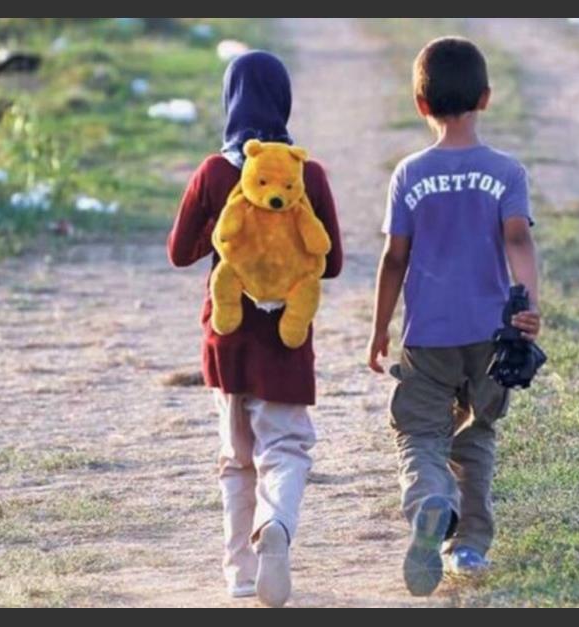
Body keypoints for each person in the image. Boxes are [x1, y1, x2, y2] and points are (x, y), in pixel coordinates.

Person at [167, 50, 343, 607]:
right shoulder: (304, 172)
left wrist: (217, 239)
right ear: (283, 101)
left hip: (227, 335)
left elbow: (180, 252)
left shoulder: (215, 172)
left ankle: (240, 573)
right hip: (285, 339)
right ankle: (277, 529)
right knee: (286, 447)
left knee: (236, 456)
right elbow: (332, 261)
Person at [367, 36, 541, 596]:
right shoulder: (506, 172)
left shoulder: (409, 175)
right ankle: (468, 545)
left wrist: (379, 331)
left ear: (421, 104)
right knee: (478, 433)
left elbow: (395, 258)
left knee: (420, 432)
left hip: (429, 335)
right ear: (486, 98)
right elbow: (518, 241)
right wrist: (528, 307)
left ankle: (429, 500)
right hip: (491, 333)